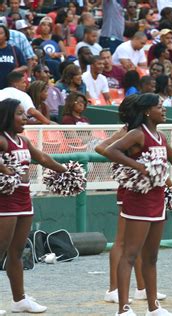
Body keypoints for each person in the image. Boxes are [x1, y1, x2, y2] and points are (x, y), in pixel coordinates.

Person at [104, 93, 172, 315]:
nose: (164, 110)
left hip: (157, 199)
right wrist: (138, 166)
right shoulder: (137, 134)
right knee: (131, 254)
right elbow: (110, 150)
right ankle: (124, 308)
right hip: (138, 201)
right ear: (147, 111)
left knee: (152, 256)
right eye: (159, 107)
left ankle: (153, 307)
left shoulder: (160, 136)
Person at [95, 95, 167, 305]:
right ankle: (113, 289)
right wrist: (131, 167)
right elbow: (102, 148)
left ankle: (142, 287)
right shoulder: (130, 131)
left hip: (149, 191)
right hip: (132, 191)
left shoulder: (153, 133)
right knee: (124, 241)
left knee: (139, 244)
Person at [0, 98, 67, 314]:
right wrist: (4, 169)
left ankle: (19, 300)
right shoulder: (1, 140)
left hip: (23, 200)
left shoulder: (23, 141)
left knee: (17, 252)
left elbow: (43, 158)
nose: (25, 117)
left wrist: (64, 170)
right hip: (4, 201)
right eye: (20, 113)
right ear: (6, 115)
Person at [0, 25, 27, 89]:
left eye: (0, 33)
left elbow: (25, 66)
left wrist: (16, 70)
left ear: (6, 36)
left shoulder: (14, 49)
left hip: (11, 87)